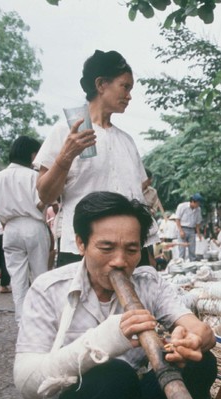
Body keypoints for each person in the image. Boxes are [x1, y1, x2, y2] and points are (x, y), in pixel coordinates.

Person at [13, 191, 216, 399]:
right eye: (106, 248)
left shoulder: (148, 281)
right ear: (80, 243)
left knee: (200, 361)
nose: (120, 261)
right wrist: (106, 340)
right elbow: (26, 383)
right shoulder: (48, 290)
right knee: (113, 374)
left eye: (131, 249)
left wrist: (193, 338)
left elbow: (195, 326)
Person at [33, 49, 154, 267]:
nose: (129, 96)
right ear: (101, 85)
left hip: (128, 251)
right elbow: (45, 195)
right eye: (125, 87)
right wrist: (64, 158)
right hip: (81, 249)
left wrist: (148, 254)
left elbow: (139, 200)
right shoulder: (66, 132)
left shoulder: (126, 141)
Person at [0, 136, 50, 324]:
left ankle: (21, 321)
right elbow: (41, 204)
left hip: (10, 228)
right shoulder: (34, 176)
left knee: (18, 280)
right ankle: (42, 320)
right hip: (33, 226)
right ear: (33, 154)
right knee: (40, 275)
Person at [175, 193, 203, 260]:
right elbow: (177, 219)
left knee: (192, 250)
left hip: (192, 230)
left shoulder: (198, 209)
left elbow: (198, 223)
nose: (198, 205)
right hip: (183, 228)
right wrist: (181, 231)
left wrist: (199, 234)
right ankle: (181, 265)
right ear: (193, 201)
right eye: (197, 203)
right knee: (182, 250)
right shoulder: (182, 206)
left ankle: (192, 265)